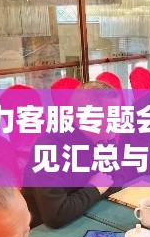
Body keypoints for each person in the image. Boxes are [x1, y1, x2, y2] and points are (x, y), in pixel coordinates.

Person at [22, 81, 120, 229]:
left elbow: (117, 179)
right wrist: (95, 188)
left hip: (86, 214)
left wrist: (93, 191)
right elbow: (56, 215)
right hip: (43, 231)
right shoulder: (49, 148)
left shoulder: (104, 138)